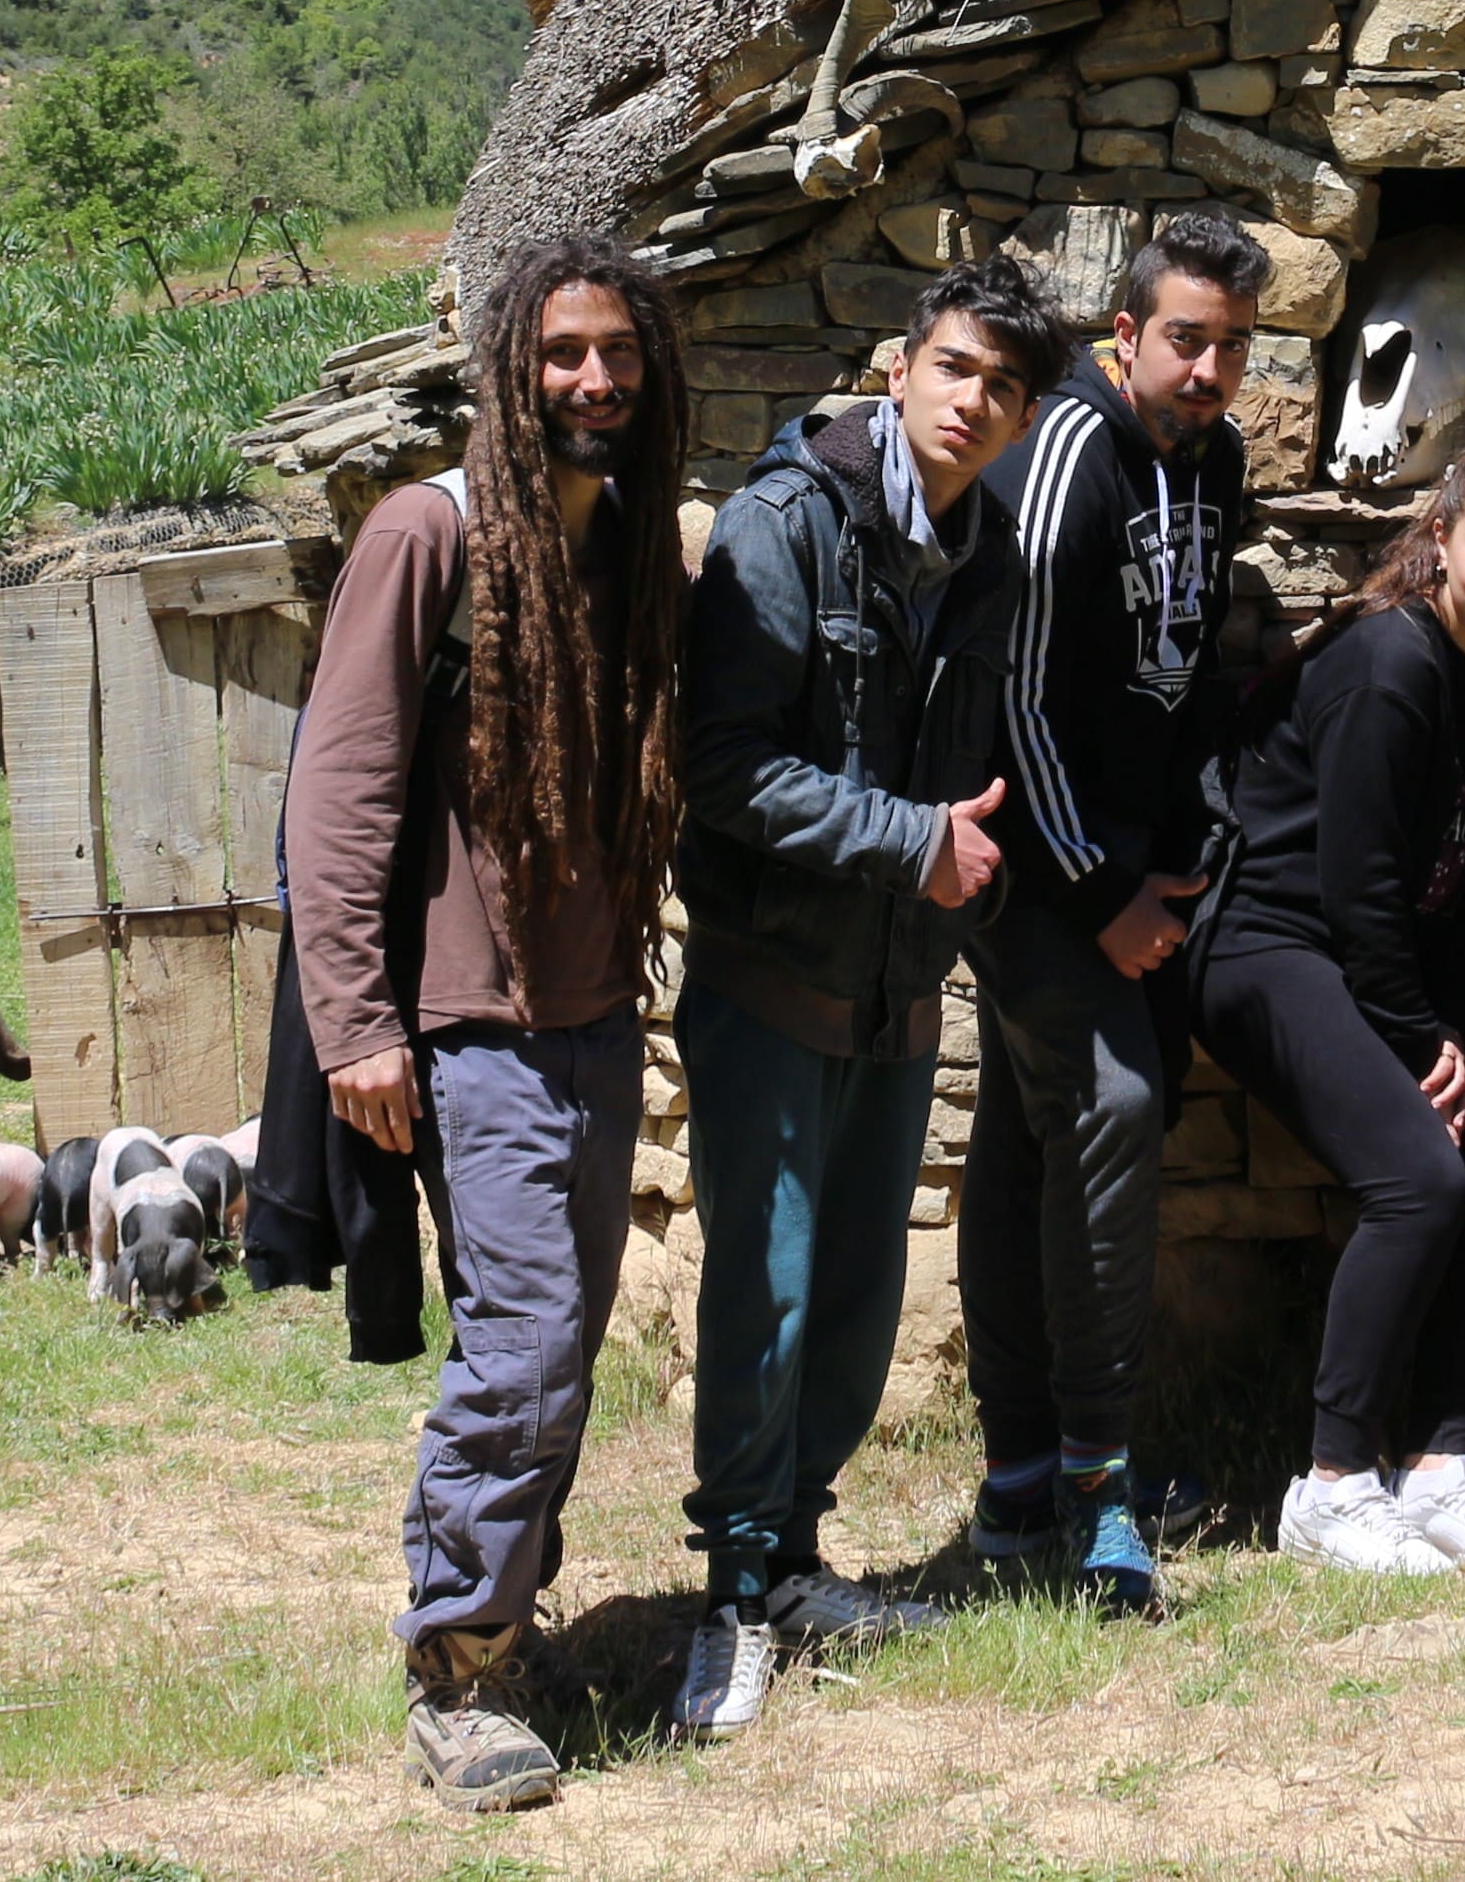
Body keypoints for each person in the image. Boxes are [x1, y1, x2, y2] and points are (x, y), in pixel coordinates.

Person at [286, 234, 693, 1814]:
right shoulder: (424, 536)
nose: (592, 381)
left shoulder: (631, 547)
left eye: (617, 354)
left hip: (592, 1016)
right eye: (561, 353)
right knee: (521, 1354)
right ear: (508, 367)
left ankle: (514, 1626)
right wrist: (356, 1023)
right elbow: (339, 791)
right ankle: (453, 1669)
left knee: (562, 1349)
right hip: (465, 1026)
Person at [670, 254, 1064, 1739]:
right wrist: (916, 843)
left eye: (1006, 387)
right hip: (774, 971)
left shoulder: (993, 549)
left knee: (854, 1295)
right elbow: (724, 767)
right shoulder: (785, 528)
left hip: (901, 983)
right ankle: (731, 1590)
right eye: (957, 367)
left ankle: (797, 1558)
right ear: (901, 365)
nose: (974, 402)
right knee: (763, 1289)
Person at [1190, 442, 1465, 1582]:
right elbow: (1358, 887)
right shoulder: (1388, 664)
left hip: (1361, 970)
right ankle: (1332, 1483)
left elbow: (1448, 889)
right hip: (1266, 949)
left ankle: (1439, 1467)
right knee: (1419, 1178)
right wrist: (1423, 1040)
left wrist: (1440, 1030)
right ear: (1443, 536)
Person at [961, 211, 1258, 1614]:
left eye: (1232, 345)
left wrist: (1192, 837)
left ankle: (1021, 1474)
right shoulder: (1069, 452)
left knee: (1030, 1141)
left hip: (1134, 856)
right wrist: (1098, 894)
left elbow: (1190, 670)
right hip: (1036, 861)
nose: (1209, 369)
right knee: (1113, 1108)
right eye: (1186, 339)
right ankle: (1093, 1488)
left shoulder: (1217, 460)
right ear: (1125, 335)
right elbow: (1013, 695)